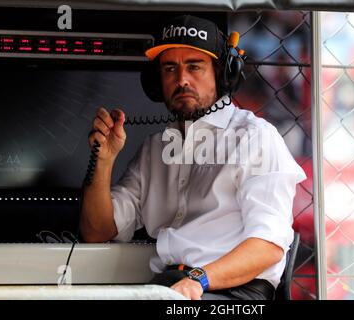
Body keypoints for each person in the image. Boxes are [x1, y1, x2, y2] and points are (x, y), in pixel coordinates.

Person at [80, 15, 306, 300]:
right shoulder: (154, 150)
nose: (181, 79)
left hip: (232, 292)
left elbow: (268, 245)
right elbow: (97, 231)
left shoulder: (254, 138)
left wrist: (199, 280)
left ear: (223, 73)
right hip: (169, 287)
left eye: (194, 66)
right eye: (170, 69)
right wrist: (104, 160)